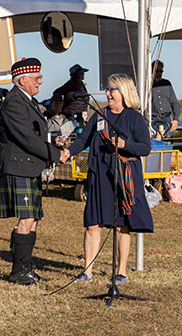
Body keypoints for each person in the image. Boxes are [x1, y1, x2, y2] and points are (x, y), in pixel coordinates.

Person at [60, 73, 154, 285]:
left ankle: (120, 273)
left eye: (113, 89)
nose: (108, 93)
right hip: (99, 175)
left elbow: (145, 148)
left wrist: (124, 145)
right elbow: (83, 139)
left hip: (124, 177)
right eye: (108, 89)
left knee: (122, 226)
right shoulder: (100, 115)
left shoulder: (135, 118)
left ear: (124, 92)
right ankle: (87, 272)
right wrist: (67, 152)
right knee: (93, 224)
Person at [0, 57, 64, 286]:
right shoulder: (15, 102)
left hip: (28, 166)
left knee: (33, 218)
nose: (40, 82)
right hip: (19, 165)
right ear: (21, 80)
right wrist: (55, 155)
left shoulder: (28, 100)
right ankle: (18, 271)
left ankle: (27, 267)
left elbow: (36, 134)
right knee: (26, 219)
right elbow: (26, 138)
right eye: (36, 78)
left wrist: (55, 140)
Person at [151, 60, 180, 138]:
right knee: (155, 140)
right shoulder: (146, 85)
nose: (159, 73)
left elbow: (174, 103)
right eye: (157, 71)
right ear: (151, 71)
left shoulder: (167, 84)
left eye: (161, 71)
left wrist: (176, 119)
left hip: (167, 119)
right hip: (153, 120)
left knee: (166, 138)